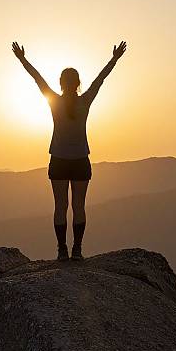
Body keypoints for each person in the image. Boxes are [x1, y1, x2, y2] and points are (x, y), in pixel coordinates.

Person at [12, 40, 127, 261]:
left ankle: (62, 250)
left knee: (60, 207)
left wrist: (22, 59)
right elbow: (100, 79)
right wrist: (114, 59)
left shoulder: (53, 100)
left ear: (61, 83)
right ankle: (77, 250)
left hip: (59, 160)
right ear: (78, 83)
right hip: (80, 160)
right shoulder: (85, 100)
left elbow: (37, 78)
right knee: (79, 207)